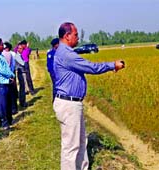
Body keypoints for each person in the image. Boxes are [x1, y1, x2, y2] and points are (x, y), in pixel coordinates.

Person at [53, 22, 124, 170]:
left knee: (80, 141)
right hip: (69, 105)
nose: (78, 38)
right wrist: (112, 65)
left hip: (71, 103)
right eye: (76, 35)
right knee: (71, 147)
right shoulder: (67, 54)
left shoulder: (63, 51)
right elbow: (91, 67)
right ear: (67, 36)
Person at [0, 38, 15, 130]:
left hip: (6, 82)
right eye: (2, 44)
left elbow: (7, 68)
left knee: (8, 102)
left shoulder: (1, 55)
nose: (3, 46)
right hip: (0, 83)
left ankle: (9, 120)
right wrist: (11, 75)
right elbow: (2, 70)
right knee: (2, 104)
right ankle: (4, 123)